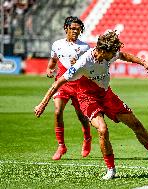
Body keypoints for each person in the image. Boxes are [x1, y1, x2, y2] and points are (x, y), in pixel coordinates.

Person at [34, 30, 148, 180]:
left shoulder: (110, 53)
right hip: (87, 98)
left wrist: (144, 62)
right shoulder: (83, 62)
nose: (114, 55)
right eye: (111, 53)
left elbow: (123, 55)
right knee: (102, 129)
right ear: (102, 51)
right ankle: (111, 169)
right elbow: (58, 82)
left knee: (135, 124)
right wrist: (42, 104)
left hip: (107, 95)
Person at [46, 16, 92, 160]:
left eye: (78, 29)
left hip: (78, 85)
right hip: (62, 83)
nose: (75, 31)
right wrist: (49, 68)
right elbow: (54, 59)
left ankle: (87, 138)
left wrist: (78, 64)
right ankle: (61, 146)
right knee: (58, 111)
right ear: (66, 28)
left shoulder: (85, 47)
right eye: (73, 28)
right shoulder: (57, 44)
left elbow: (89, 68)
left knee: (82, 117)